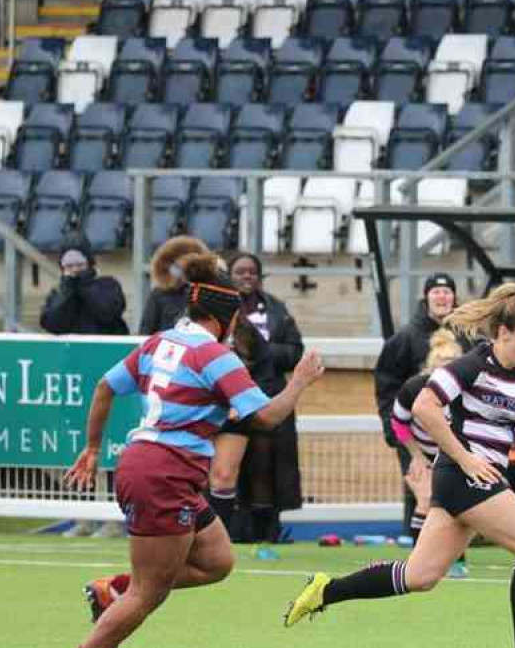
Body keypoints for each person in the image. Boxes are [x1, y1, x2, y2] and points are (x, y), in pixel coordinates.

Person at [284, 283, 515, 648]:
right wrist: (465, 456)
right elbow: (424, 406)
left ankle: (325, 591)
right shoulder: (472, 364)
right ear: (504, 333)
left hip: (477, 477)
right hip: (463, 474)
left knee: (420, 575)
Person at [64, 252, 325, 648]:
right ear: (225, 318)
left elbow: (104, 387)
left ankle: (112, 590)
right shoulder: (216, 355)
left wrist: (93, 447)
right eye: (235, 320)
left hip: (157, 468)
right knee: (147, 594)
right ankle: (115, 604)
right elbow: (267, 417)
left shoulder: (159, 342)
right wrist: (300, 381)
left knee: (217, 561)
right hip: (163, 473)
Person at [206, 253, 305, 545]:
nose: (246, 276)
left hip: (268, 397)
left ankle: (266, 530)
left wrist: (258, 351)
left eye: (252, 271)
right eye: (240, 271)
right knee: (225, 470)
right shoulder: (216, 313)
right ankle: (226, 531)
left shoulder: (277, 310)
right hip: (226, 402)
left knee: (266, 466)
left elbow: (294, 351)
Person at [41, 232, 129, 538]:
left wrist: (83, 284)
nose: (74, 269)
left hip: (109, 384)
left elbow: (108, 312)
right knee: (75, 448)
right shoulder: (60, 292)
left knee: (109, 448)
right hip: (73, 383)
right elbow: (52, 322)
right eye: (69, 265)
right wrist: (69, 288)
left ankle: (112, 518)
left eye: (80, 263)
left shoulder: (107, 286)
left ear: (91, 262)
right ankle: (84, 514)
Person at [374, 272, 460, 535]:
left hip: (455, 431)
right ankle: (418, 548)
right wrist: (395, 434)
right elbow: (386, 386)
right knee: (421, 489)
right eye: (436, 291)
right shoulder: (404, 338)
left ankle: (453, 550)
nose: (442, 296)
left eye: (447, 292)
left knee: (453, 491)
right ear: (426, 297)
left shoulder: (467, 333)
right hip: (413, 433)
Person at [390, 328, 470, 577]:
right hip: (419, 450)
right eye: (444, 363)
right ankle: (418, 560)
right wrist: (417, 456)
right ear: (432, 365)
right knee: (425, 499)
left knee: (457, 506)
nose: (449, 368)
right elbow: (398, 423)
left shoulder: (466, 389)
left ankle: (456, 560)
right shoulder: (414, 388)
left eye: (454, 363)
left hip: (451, 452)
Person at [138, 236, 210, 335]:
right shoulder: (159, 294)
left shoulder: (209, 293)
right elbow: (146, 332)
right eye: (176, 264)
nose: (182, 268)